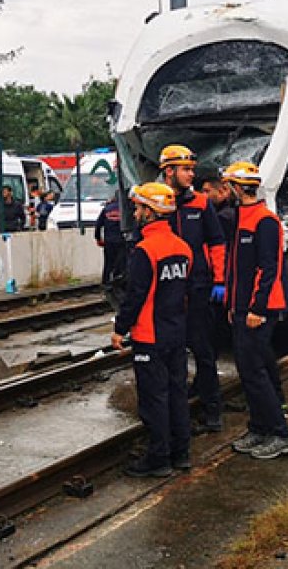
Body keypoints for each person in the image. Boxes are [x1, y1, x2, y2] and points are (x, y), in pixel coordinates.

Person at [111, 182, 193, 477]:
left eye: (139, 207)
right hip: (176, 331)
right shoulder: (183, 249)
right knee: (177, 392)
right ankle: (181, 452)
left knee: (154, 398)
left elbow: (136, 296)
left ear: (150, 211)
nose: (135, 211)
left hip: (149, 334)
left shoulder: (145, 251)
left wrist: (120, 328)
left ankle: (158, 458)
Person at [220, 161, 288, 460]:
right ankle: (260, 427)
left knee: (254, 371)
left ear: (239, 188)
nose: (226, 191)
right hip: (242, 308)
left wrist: (257, 307)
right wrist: (232, 305)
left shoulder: (264, 221)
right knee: (248, 370)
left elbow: (269, 269)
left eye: (229, 186)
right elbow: (236, 268)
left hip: (259, 310)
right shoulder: (242, 218)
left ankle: (281, 434)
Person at [158, 145, 229, 434]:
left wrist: (220, 280)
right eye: (186, 169)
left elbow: (217, 242)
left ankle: (213, 410)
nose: (191, 175)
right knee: (170, 352)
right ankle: (175, 410)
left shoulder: (201, 204)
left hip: (199, 288)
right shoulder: (157, 203)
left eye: (192, 169)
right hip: (168, 290)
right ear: (169, 171)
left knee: (203, 350)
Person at [96, 193, 125, 283]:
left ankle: (105, 282)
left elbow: (98, 225)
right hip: (121, 241)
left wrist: (98, 238)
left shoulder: (106, 209)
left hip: (108, 241)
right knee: (120, 264)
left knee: (108, 263)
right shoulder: (124, 209)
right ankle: (117, 283)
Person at [200, 176, 238, 242]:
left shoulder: (223, 217)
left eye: (207, 191)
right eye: (202, 192)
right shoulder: (233, 210)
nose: (203, 195)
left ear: (221, 192)